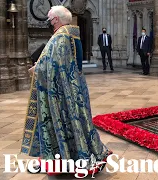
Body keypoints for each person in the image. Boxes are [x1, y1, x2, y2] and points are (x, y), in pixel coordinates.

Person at [22, 6, 112, 175]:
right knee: (78, 122)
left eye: (49, 18)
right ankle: (82, 155)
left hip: (61, 93)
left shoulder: (61, 38)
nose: (49, 21)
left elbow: (55, 64)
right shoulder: (71, 33)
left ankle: (64, 159)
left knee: (66, 122)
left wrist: (37, 68)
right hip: (72, 89)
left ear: (56, 19)